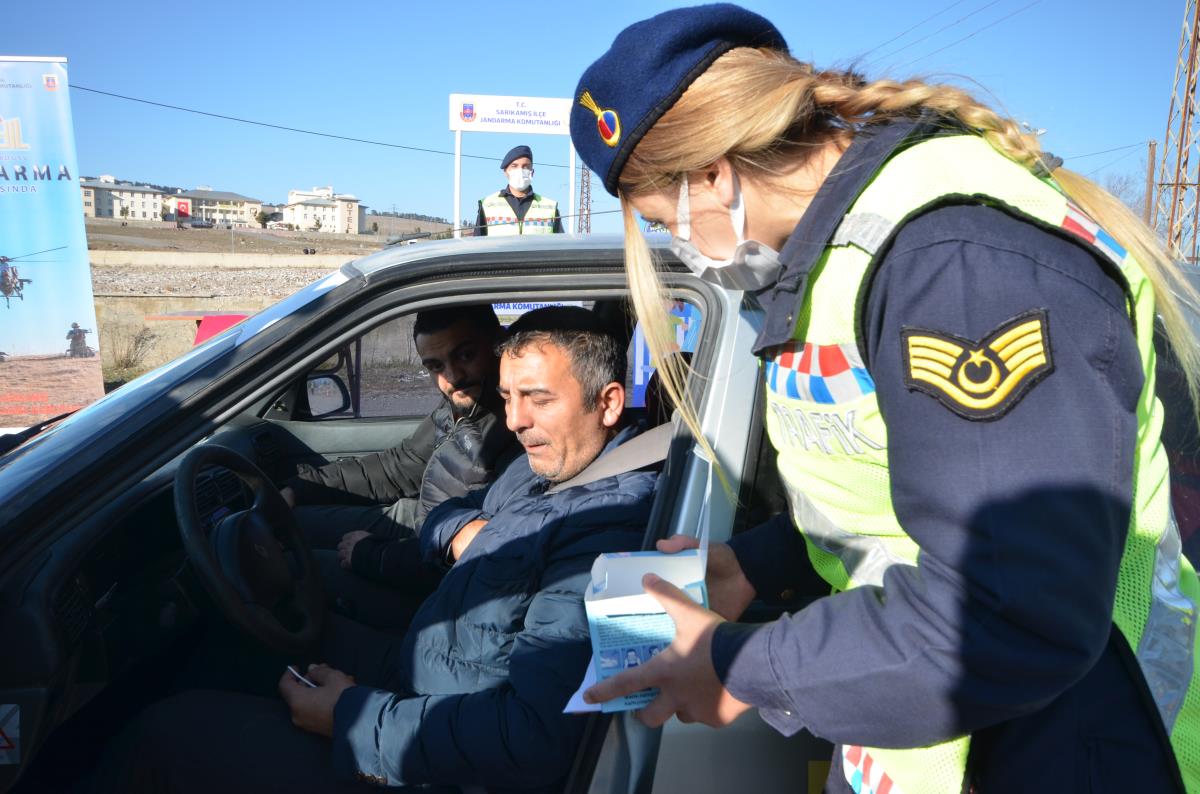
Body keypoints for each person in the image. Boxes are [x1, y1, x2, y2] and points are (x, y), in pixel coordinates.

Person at [568, 5, 1200, 793]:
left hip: (1083, 748)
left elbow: (1011, 609)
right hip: (935, 743)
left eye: (668, 223)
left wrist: (739, 666)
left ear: (714, 177)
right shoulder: (847, 253)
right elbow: (910, 482)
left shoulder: (957, 266)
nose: (685, 247)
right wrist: (758, 564)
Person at [91, 306, 660, 793]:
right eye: (509, 396)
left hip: (437, 751)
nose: (514, 420)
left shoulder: (619, 541)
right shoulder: (544, 471)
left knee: (166, 733)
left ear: (608, 403)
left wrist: (351, 716)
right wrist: (457, 532)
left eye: (537, 399)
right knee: (234, 643)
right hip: (427, 663)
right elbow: (447, 512)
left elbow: (536, 741)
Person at [284, 304, 521, 629]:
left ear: (497, 343)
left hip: (438, 577)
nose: (452, 377)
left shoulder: (520, 429)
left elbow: (478, 550)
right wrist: (301, 487)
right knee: (288, 523)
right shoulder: (461, 408)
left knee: (296, 568)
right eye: (435, 366)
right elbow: (400, 466)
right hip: (422, 525)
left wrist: (372, 555)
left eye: (465, 355)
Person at [474, 144, 564, 236]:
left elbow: (561, 243)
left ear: (532, 172)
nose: (520, 170)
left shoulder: (550, 207)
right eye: (514, 166)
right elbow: (477, 242)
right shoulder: (487, 204)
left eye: (525, 166)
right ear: (506, 171)